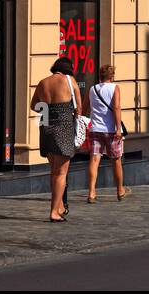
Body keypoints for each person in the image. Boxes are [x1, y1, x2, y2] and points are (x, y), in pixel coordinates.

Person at [30, 58, 82, 222]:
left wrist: (49, 110)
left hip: (46, 127)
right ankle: (54, 211)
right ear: (69, 68)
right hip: (63, 128)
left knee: (54, 171)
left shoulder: (43, 82)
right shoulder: (69, 80)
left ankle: (59, 206)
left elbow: (34, 106)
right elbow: (79, 108)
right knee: (61, 173)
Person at [85, 65, 129, 203]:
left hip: (95, 129)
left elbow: (85, 107)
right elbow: (116, 107)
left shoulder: (92, 89)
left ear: (100, 76)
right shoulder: (114, 88)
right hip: (110, 130)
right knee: (116, 160)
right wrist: (118, 128)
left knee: (94, 159)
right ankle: (120, 190)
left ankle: (92, 192)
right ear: (112, 76)